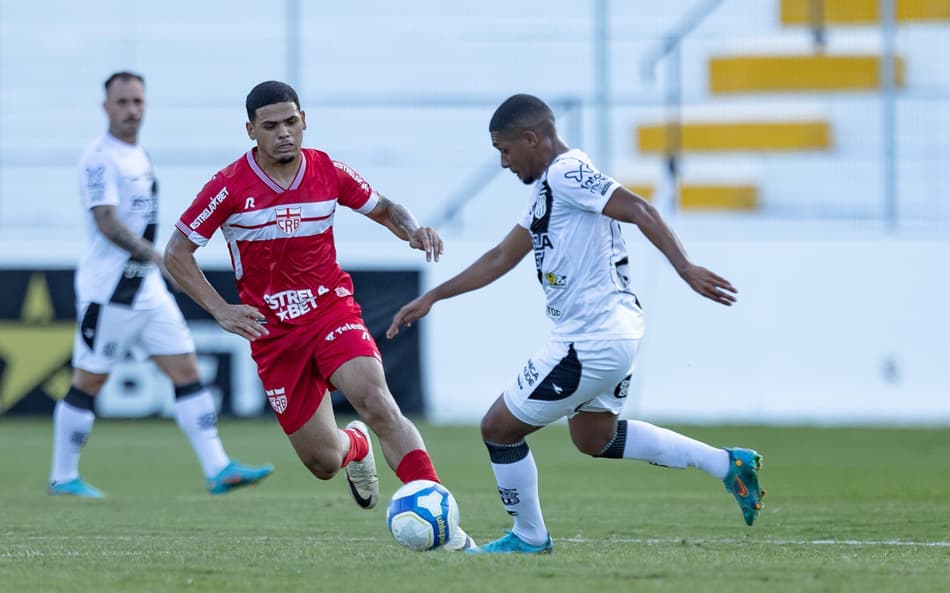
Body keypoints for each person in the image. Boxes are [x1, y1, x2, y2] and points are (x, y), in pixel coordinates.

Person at [386, 94, 766, 554]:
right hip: (615, 334)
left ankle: (529, 537)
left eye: (505, 150)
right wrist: (433, 296)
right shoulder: (546, 189)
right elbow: (502, 256)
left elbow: (638, 208)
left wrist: (684, 267)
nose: (504, 162)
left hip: (590, 339)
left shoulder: (567, 172)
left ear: (531, 138)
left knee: (498, 429)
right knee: (594, 438)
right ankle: (728, 465)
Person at [163, 80, 473, 550]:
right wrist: (220, 309)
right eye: (271, 126)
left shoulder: (326, 170)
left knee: (376, 399)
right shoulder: (227, 187)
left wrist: (410, 230)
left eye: (291, 121)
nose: (284, 133)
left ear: (304, 120)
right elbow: (177, 253)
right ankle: (356, 447)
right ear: (251, 131)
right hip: (273, 334)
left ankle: (443, 525)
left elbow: (386, 207)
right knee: (324, 462)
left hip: (331, 311)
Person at [49, 71, 274, 499]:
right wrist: (159, 257)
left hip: (148, 291)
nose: (131, 110)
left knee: (187, 371)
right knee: (89, 381)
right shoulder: (100, 157)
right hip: (110, 292)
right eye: (122, 102)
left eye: (137, 101)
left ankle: (219, 468)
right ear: (106, 107)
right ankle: (63, 477)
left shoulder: (138, 154)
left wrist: (156, 266)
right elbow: (107, 222)